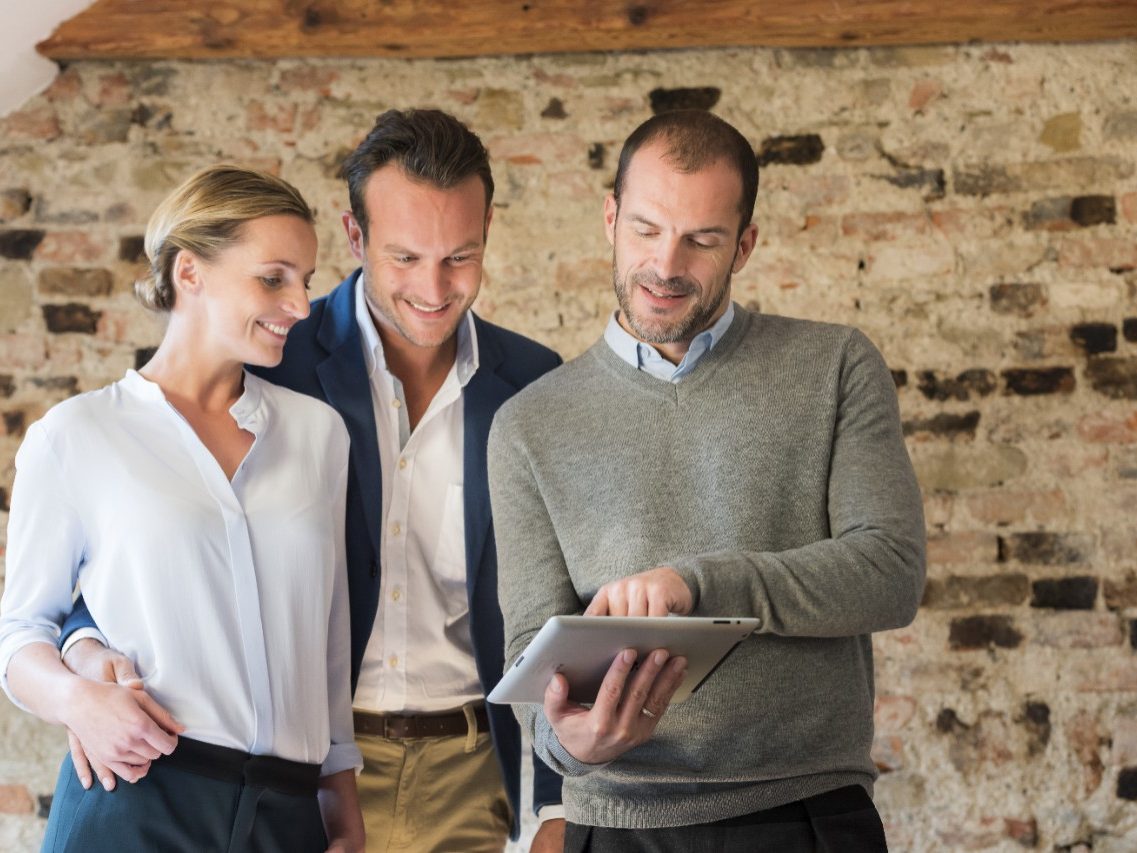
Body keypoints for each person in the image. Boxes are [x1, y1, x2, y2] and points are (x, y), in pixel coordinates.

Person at [61, 109, 565, 852]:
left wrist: (552, 804)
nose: (434, 287)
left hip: (469, 770)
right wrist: (82, 669)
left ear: (488, 228)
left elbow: (557, 597)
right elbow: (139, 544)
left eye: (460, 256)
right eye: (404, 256)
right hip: (297, 778)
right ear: (355, 236)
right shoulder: (271, 360)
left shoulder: (535, 383)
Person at [487, 109, 927, 852]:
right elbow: (533, 650)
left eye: (702, 239)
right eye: (646, 229)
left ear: (744, 245)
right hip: (616, 822)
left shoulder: (836, 366)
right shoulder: (527, 423)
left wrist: (698, 586)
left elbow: (890, 572)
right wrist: (571, 742)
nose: (665, 264)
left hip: (805, 811)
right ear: (610, 218)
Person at [0, 165, 365, 851]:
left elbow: (328, 640)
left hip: (287, 814)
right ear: (189, 271)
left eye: (306, 280)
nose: (300, 304)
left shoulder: (319, 434)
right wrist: (79, 699)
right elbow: (20, 634)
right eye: (273, 278)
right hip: (136, 799)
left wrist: (342, 814)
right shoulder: (76, 435)